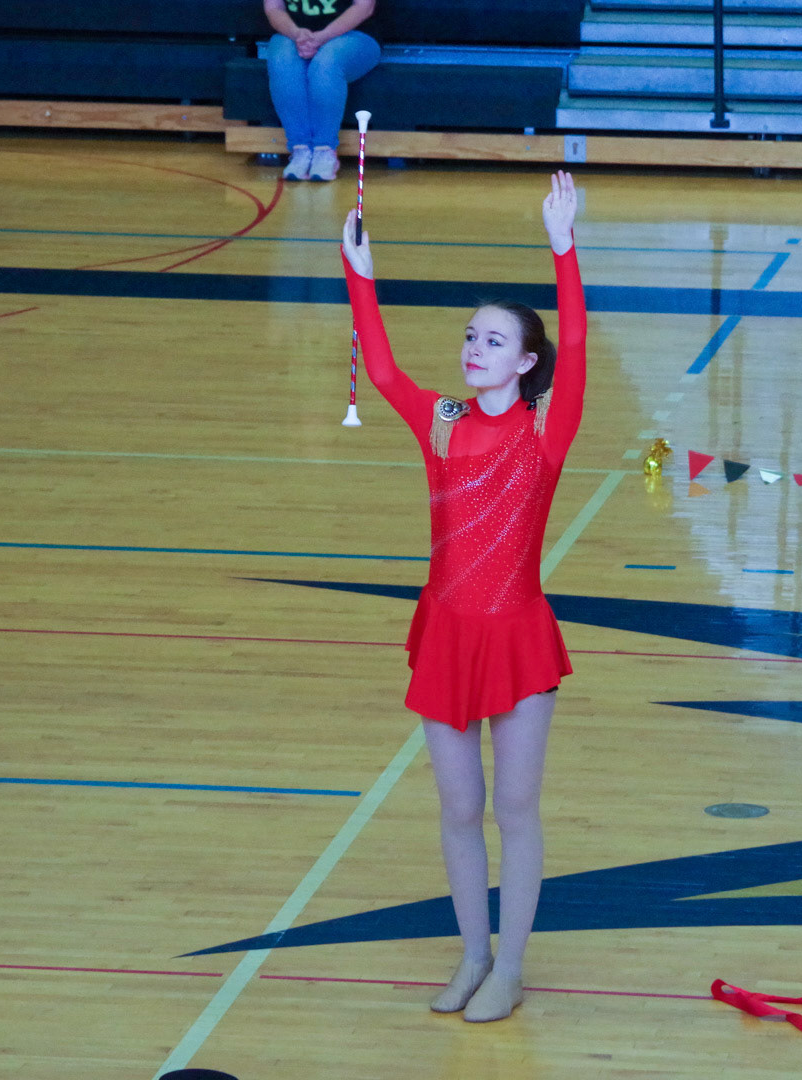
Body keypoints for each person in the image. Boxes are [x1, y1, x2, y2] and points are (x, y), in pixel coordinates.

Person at [340, 172, 584, 1022]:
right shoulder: (441, 421)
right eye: (470, 336)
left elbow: (576, 343)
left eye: (493, 340)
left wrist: (562, 249)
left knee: (514, 809)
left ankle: (509, 967)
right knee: (458, 808)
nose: (475, 349)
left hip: (516, 636)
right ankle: (473, 955)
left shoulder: (545, 428)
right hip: (445, 634)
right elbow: (380, 368)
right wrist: (359, 273)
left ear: (525, 362)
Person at [263, 0, 380, 182]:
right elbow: (274, 8)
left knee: (326, 64)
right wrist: (297, 34)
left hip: (355, 35)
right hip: (293, 34)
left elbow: (364, 7)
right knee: (281, 60)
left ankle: (324, 150)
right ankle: (300, 149)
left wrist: (322, 37)